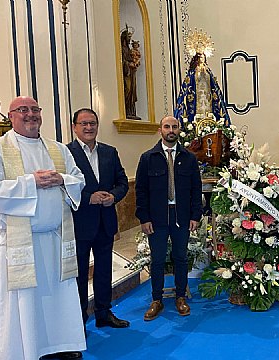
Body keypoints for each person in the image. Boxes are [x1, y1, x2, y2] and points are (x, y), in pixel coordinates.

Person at [0, 96, 86, 359]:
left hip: (55, 240)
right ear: (10, 116)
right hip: (20, 243)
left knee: (57, 296)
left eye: (35, 109)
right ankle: (26, 349)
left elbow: (78, 179)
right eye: (23, 110)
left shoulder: (58, 150)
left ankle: (61, 344)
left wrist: (62, 178)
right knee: (26, 300)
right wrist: (29, 182)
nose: (30, 114)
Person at [67, 108, 130, 331]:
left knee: (104, 270)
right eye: (83, 123)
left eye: (92, 123)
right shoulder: (66, 153)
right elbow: (63, 187)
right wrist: (88, 198)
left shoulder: (110, 152)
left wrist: (113, 196)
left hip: (106, 221)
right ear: (74, 126)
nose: (89, 127)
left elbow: (123, 182)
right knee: (80, 275)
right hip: (80, 224)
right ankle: (79, 321)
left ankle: (104, 312)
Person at [135, 116, 203, 320]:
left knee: (180, 257)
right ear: (160, 130)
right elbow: (141, 191)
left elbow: (195, 189)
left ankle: (180, 297)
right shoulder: (148, 158)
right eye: (167, 126)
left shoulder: (189, 158)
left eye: (174, 127)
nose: (170, 130)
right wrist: (144, 218)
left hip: (181, 216)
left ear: (179, 130)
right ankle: (157, 300)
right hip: (157, 217)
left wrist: (195, 215)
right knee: (157, 259)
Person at [122, 26, 140, 120]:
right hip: (127, 73)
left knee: (132, 90)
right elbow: (122, 61)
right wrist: (129, 64)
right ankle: (126, 110)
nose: (129, 40)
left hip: (132, 72)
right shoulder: (122, 49)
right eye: (128, 38)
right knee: (127, 89)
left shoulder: (129, 49)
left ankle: (131, 111)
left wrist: (134, 63)